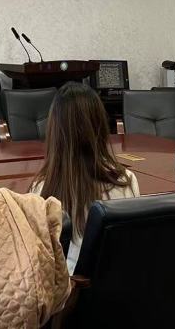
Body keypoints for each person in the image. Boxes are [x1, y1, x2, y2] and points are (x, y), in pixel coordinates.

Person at [29, 82, 139, 272]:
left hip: (70, 288)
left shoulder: (42, 189)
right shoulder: (126, 181)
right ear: (100, 126)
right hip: (120, 284)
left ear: (54, 131)